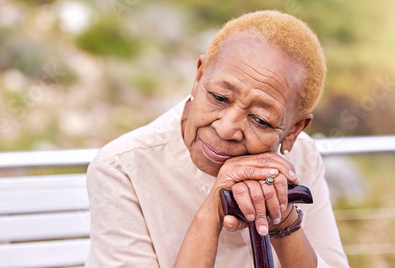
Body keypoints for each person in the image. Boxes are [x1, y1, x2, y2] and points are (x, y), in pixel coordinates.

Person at [86, 10, 349, 267]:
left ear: (293, 131)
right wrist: (211, 213)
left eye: (260, 119)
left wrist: (283, 220)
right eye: (219, 97)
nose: (226, 129)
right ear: (198, 76)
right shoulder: (122, 169)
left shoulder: (301, 156)